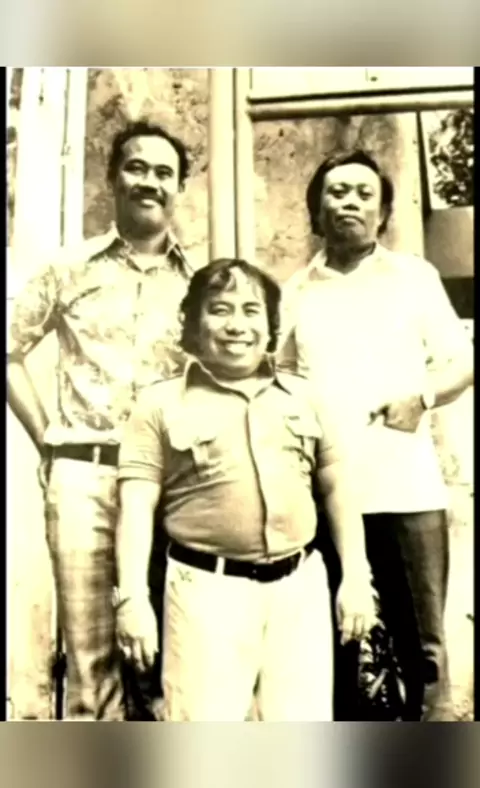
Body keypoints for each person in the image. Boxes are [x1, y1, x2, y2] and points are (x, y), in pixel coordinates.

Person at [115, 257, 376, 722]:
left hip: (299, 589)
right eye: (220, 309)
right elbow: (136, 505)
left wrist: (356, 577)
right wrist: (133, 599)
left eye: (251, 310)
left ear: (271, 325)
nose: (237, 325)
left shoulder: (306, 396)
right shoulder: (158, 404)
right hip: (206, 594)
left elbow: (338, 487)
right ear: (194, 323)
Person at [7, 119, 196, 721]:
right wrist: (47, 439)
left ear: (179, 187)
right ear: (113, 178)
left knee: (168, 658)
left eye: (164, 172)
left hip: (169, 483)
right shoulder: (69, 268)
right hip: (84, 476)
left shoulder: (199, 281)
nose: (149, 181)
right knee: (91, 664)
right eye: (136, 167)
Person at [279, 149, 474, 721]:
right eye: (337, 192)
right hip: (328, 497)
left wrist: (423, 398)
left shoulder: (414, 277)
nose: (350, 202)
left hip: (407, 489)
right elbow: (282, 378)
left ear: (383, 212)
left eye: (365, 194)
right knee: (340, 642)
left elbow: (463, 360)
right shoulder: (296, 291)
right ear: (317, 209)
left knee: (424, 648)